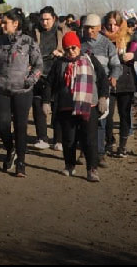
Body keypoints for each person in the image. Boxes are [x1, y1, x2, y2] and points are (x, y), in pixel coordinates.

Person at [43, 31, 109, 182]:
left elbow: (103, 79)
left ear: (79, 47)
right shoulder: (59, 64)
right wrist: (46, 101)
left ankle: (92, 169)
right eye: (67, 49)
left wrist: (103, 97)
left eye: (73, 48)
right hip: (66, 107)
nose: (71, 51)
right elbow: (49, 83)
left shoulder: (90, 59)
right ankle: (69, 165)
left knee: (89, 139)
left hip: (89, 106)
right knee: (69, 139)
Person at [0, 9, 42, 177]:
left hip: (22, 91)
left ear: (15, 23)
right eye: (1, 22)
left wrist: (30, 80)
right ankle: (10, 149)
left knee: (20, 126)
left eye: (5, 22)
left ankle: (21, 162)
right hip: (1, 89)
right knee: (2, 124)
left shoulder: (28, 42)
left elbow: (38, 65)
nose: (1, 25)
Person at [81, 14, 121, 168]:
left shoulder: (107, 45)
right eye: (86, 28)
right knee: (82, 121)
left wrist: (114, 77)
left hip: (102, 89)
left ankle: (99, 153)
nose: (89, 31)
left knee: (100, 122)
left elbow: (117, 65)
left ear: (98, 28)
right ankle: (84, 151)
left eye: (92, 28)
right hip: (83, 89)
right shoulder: (80, 44)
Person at [104, 17, 137, 158]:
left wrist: (133, 55)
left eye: (115, 25)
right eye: (109, 25)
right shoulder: (102, 41)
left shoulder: (130, 39)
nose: (112, 27)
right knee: (107, 115)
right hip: (108, 82)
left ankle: (122, 146)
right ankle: (109, 141)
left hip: (126, 82)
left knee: (124, 115)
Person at [34, 6, 69, 150]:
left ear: (54, 19)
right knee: (37, 105)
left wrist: (62, 53)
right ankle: (42, 138)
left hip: (58, 74)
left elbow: (74, 49)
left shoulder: (62, 32)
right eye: (42, 19)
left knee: (58, 108)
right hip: (39, 74)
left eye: (47, 19)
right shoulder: (34, 32)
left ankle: (59, 140)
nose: (44, 22)